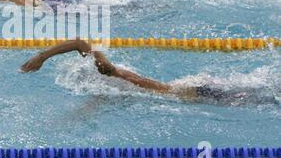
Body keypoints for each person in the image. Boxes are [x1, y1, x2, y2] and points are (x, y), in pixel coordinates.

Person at [20, 39, 237, 103]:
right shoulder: (110, 81)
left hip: (194, 94)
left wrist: (42, 57)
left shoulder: (107, 72)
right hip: (189, 89)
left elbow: (80, 43)